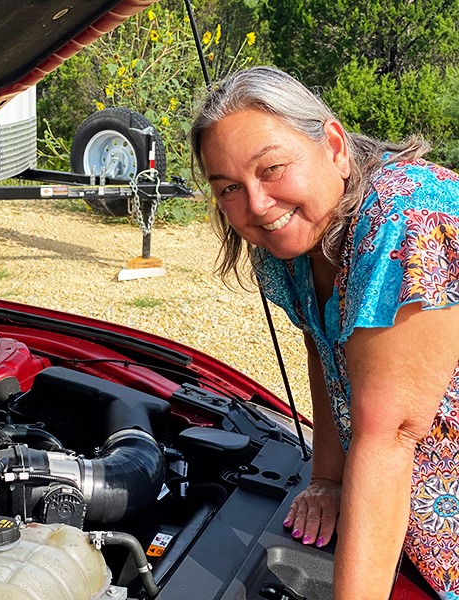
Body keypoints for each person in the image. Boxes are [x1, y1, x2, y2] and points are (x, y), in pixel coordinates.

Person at [190, 65, 459, 599]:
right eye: (229, 189)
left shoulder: (404, 222)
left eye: (271, 169)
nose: (257, 204)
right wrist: (328, 479)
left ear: (334, 145)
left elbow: (390, 435)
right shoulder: (299, 233)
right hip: (409, 503)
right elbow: (326, 344)